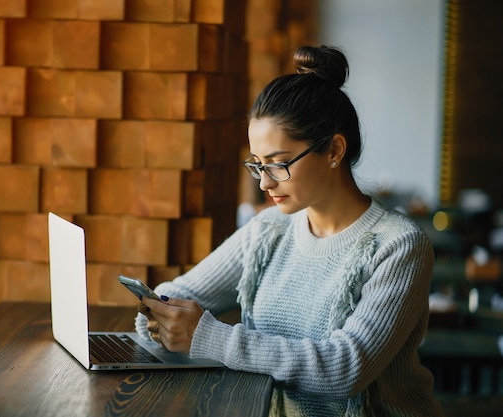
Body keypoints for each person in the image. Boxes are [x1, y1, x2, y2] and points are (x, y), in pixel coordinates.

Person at [136, 45, 444, 416]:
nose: (264, 184)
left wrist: (207, 337)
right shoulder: (270, 228)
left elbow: (344, 368)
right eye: (257, 165)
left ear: (333, 150)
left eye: (279, 165)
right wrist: (159, 313)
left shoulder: (399, 246)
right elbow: (178, 292)